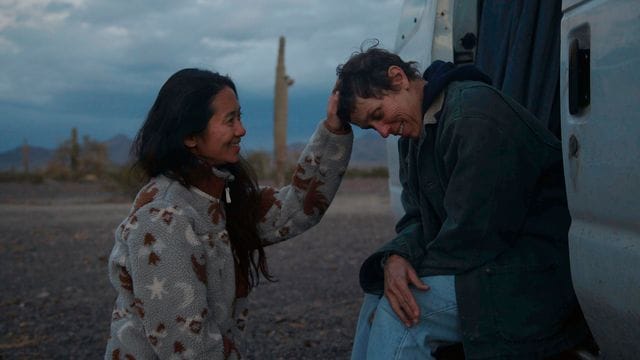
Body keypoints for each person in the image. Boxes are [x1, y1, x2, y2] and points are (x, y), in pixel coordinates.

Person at [335, 46, 593, 359]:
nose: (383, 132)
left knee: (401, 314)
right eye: (370, 127)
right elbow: (417, 217)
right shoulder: (415, 134)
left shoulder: (473, 115)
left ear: (398, 77)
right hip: (484, 263)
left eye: (378, 115)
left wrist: (408, 270)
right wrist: (396, 258)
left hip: (532, 272)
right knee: (378, 293)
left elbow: (476, 232)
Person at [104, 68, 352, 359]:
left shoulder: (217, 198)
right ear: (190, 137)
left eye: (240, 116)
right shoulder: (162, 218)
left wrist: (334, 129)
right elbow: (189, 350)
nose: (241, 130)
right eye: (230, 120)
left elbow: (296, 208)